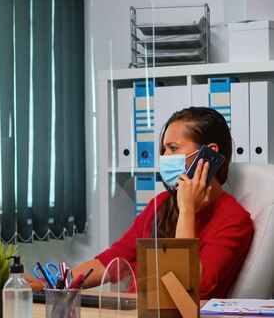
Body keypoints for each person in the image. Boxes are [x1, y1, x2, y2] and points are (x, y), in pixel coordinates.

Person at [26, 106, 254, 299]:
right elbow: (114, 260)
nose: (164, 157)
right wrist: (54, 285)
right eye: (164, 149)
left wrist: (187, 210)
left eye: (173, 148)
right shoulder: (162, 203)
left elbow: (188, 289)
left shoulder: (234, 220)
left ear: (208, 154)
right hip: (133, 310)